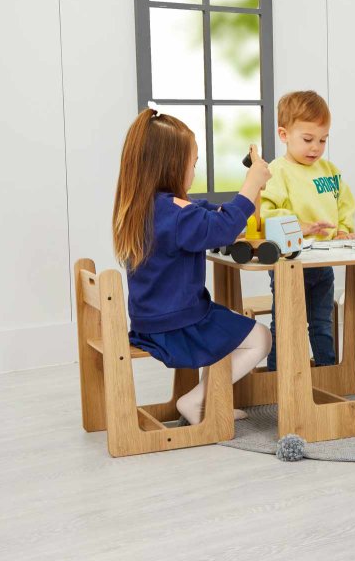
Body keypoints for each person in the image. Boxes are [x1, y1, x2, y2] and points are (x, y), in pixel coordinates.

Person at [112, 108, 272, 424]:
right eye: (193, 164)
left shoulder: (147, 208)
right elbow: (221, 228)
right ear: (171, 166)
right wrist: (251, 184)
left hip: (148, 324)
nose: (194, 173)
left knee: (229, 325)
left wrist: (248, 194)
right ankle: (198, 401)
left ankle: (206, 398)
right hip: (180, 326)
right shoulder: (178, 216)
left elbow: (218, 219)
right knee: (261, 339)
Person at [260, 90, 355, 370]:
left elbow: (344, 204)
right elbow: (264, 212)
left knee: (322, 322)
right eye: (308, 139)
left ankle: (328, 373)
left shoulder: (329, 171)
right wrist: (298, 226)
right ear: (284, 134)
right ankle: (277, 376)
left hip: (324, 262)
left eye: (323, 140)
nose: (316, 147)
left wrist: (343, 229)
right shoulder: (277, 171)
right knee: (285, 324)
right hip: (290, 264)